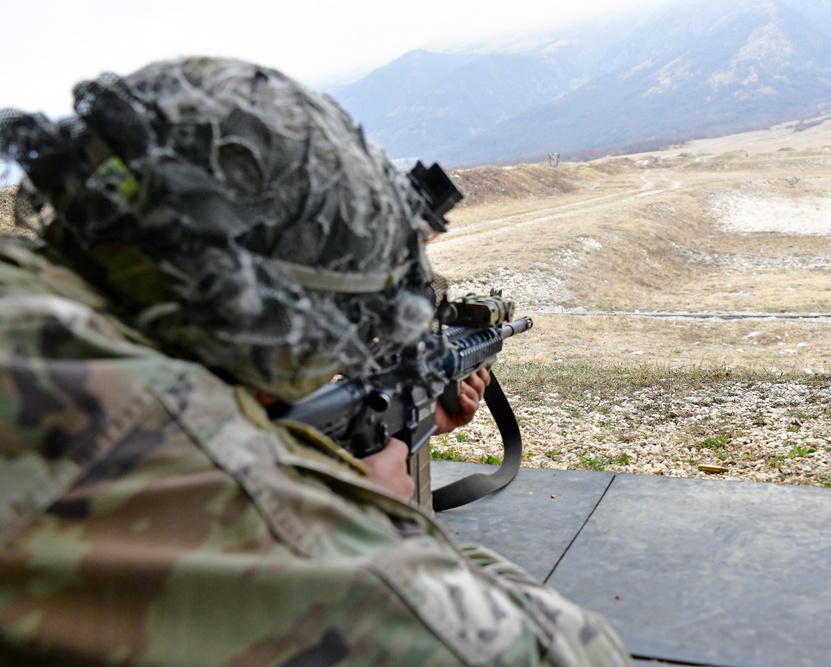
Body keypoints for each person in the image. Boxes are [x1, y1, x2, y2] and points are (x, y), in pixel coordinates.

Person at [0, 57, 631, 666]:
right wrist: (377, 510)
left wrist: (399, 428)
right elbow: (563, 652)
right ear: (257, 303)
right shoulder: (154, 438)